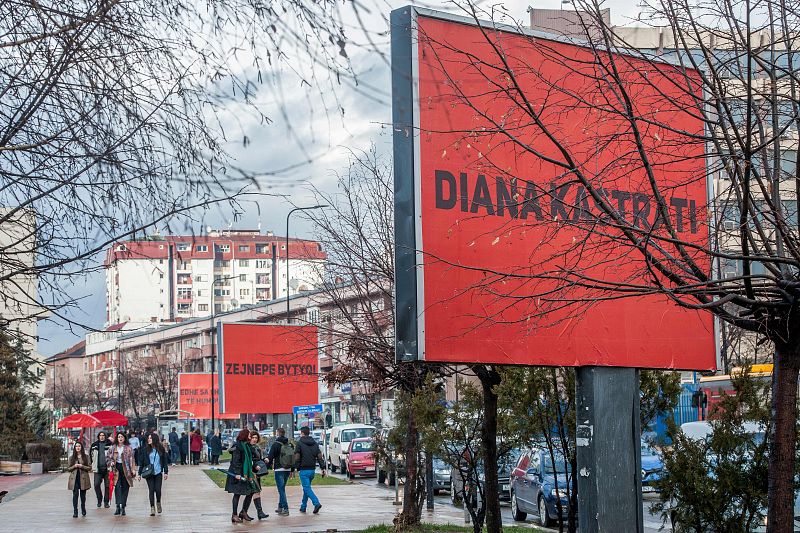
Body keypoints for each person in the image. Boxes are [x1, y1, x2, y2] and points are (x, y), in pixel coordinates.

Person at [225, 429, 258, 523]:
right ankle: (234, 515)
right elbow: (236, 461)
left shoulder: (247, 446)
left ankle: (243, 512)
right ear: (244, 435)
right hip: (238, 474)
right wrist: (237, 474)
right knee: (237, 494)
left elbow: (251, 459)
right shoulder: (238, 446)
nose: (250, 437)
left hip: (246, 473)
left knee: (251, 491)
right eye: (249, 435)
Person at [293, 426, 326, 514]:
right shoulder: (314, 443)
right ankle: (303, 507)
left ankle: (316, 503)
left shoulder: (299, 443)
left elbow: (297, 457)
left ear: (302, 433)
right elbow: (319, 456)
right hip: (312, 470)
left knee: (307, 488)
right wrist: (323, 467)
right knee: (306, 489)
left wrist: (295, 468)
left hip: (303, 470)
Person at [138, 432, 169, 516]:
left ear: (154, 439)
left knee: (158, 490)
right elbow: (141, 462)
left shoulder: (160, 449)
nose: (149, 439)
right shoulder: (145, 450)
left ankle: (158, 502)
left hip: (158, 472)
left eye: (150, 438)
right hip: (149, 473)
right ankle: (152, 507)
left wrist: (166, 472)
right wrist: (139, 474)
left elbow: (165, 461)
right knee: (151, 490)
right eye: (148, 438)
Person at [266, 427, 293, 516]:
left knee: (281, 490)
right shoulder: (289, 444)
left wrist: (265, 467)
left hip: (279, 469)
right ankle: (280, 507)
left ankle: (285, 508)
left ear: (277, 433)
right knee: (282, 489)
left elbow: (270, 457)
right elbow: (292, 457)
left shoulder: (275, 444)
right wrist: (292, 470)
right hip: (287, 469)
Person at [108, 431, 135, 516]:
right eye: (119, 437)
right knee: (117, 488)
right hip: (117, 469)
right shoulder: (113, 448)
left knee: (125, 488)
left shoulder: (128, 448)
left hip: (126, 469)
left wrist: (133, 469)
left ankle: (123, 506)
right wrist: (111, 462)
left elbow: (132, 459)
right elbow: (108, 457)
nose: (120, 438)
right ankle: (117, 506)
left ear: (124, 438)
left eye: (122, 437)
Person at [67, 441, 92, 517]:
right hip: (74, 479)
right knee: (75, 495)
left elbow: (89, 467)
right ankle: (75, 511)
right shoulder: (72, 457)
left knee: (83, 496)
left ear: (81, 448)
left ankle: (83, 508)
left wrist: (82, 466)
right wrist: (74, 466)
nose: (78, 447)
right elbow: (68, 469)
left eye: (79, 446)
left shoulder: (86, 457)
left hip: (83, 478)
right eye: (76, 446)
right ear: (74, 448)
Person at [248, 432, 269, 520]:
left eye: (256, 438)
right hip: (250, 473)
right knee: (251, 492)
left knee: (256, 491)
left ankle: (259, 512)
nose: (255, 439)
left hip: (257, 472)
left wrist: (264, 460)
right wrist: (253, 467)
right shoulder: (248, 447)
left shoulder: (257, 448)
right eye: (253, 437)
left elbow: (258, 459)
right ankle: (244, 512)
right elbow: (248, 461)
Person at [89, 431, 110, 508]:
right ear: (98, 436)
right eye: (100, 435)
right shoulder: (94, 445)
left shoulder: (109, 444)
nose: (102, 437)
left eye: (103, 435)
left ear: (105, 436)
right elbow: (91, 456)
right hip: (98, 469)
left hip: (108, 469)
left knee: (107, 486)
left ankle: (106, 501)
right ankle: (99, 499)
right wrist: (92, 464)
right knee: (96, 484)